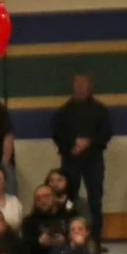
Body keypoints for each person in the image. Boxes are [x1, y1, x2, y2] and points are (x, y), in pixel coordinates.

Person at [50, 74, 114, 237]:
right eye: (77, 84)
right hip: (70, 160)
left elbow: (106, 133)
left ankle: (95, 239)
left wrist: (88, 143)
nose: (79, 87)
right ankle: (69, 237)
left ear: (90, 86)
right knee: (69, 199)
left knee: (95, 200)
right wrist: (73, 144)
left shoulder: (100, 110)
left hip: (94, 160)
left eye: (83, 84)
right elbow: (56, 134)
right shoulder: (63, 112)